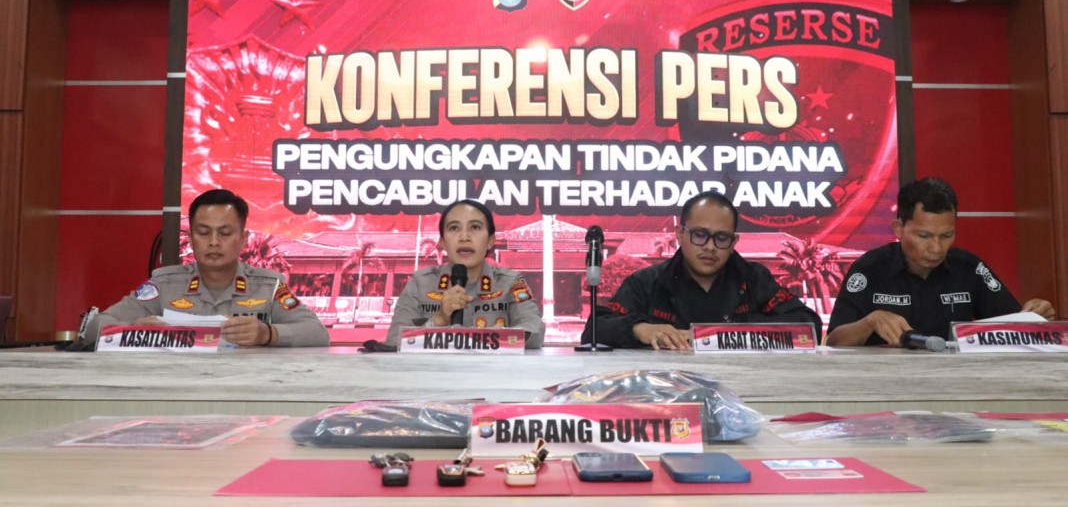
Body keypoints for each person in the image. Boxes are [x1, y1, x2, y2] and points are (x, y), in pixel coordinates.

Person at [826, 177, 1056, 347]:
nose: (936, 248)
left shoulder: (969, 268)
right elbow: (834, 341)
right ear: (899, 228)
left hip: (958, 381)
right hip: (883, 383)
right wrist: (869, 322)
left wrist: (1034, 317)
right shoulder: (869, 269)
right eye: (924, 236)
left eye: (946, 236)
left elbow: (1014, 327)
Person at [84, 189, 329, 348]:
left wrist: (268, 334)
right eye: (203, 232)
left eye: (225, 233)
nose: (214, 242)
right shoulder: (164, 285)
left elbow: (318, 334)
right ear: (191, 238)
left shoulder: (269, 287)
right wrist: (131, 331)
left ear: (243, 239)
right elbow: (94, 328)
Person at [581, 191, 822, 350]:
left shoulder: (754, 279)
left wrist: (731, 330)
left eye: (721, 238)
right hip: (669, 392)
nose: (710, 247)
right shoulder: (647, 282)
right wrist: (641, 329)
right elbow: (594, 329)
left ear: (734, 242)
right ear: (679, 234)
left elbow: (808, 326)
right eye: (699, 235)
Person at [385, 199, 546, 349]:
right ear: (442, 242)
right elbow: (393, 342)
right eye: (454, 228)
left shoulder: (511, 282)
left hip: (492, 370)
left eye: (475, 227)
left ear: (490, 240)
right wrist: (438, 320)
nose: (464, 237)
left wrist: (493, 338)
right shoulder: (420, 283)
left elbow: (535, 332)